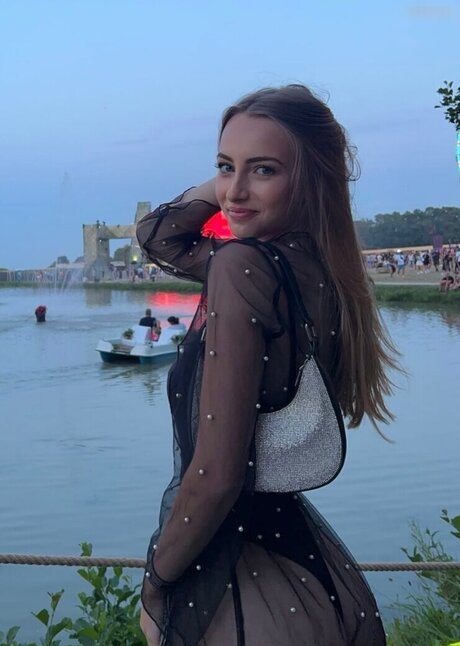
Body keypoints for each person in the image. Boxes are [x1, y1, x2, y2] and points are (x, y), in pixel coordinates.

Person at [136, 84, 398, 646]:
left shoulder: (244, 268)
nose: (234, 192)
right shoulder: (318, 272)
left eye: (264, 170)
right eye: (224, 166)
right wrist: (241, 178)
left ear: (311, 179)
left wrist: (156, 583)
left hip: (244, 592)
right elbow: (159, 238)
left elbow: (215, 478)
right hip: (310, 576)